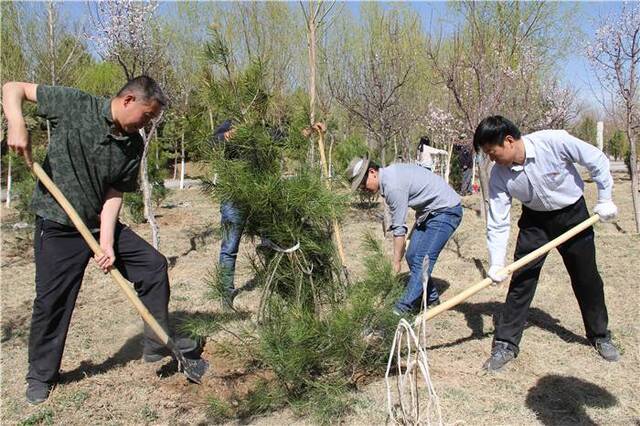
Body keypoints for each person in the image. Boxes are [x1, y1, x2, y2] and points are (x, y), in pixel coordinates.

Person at [2, 76, 197, 405]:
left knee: (152, 266)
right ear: (127, 101)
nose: (148, 124)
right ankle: (41, 375)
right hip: (59, 224)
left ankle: (156, 344)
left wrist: (107, 241)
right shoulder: (76, 105)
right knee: (53, 302)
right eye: (147, 116)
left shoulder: (133, 144)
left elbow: (113, 192)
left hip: (96, 223)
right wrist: (17, 123)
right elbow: (12, 88)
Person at [473, 115, 620, 373]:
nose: (491, 159)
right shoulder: (498, 175)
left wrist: (605, 197)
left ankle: (599, 335)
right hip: (535, 222)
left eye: (492, 153)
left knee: (587, 278)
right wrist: (496, 262)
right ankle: (506, 343)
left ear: (508, 141)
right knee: (522, 279)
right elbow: (497, 221)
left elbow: (596, 159)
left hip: (572, 214)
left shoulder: (553, 142)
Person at [346, 157, 463, 313]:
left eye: (362, 184)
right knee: (413, 256)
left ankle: (401, 309)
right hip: (428, 213)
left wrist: (396, 261)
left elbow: (399, 229)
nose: (363, 189)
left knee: (422, 261)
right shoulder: (389, 177)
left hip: (446, 211)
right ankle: (432, 297)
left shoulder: (393, 186)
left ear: (372, 172)